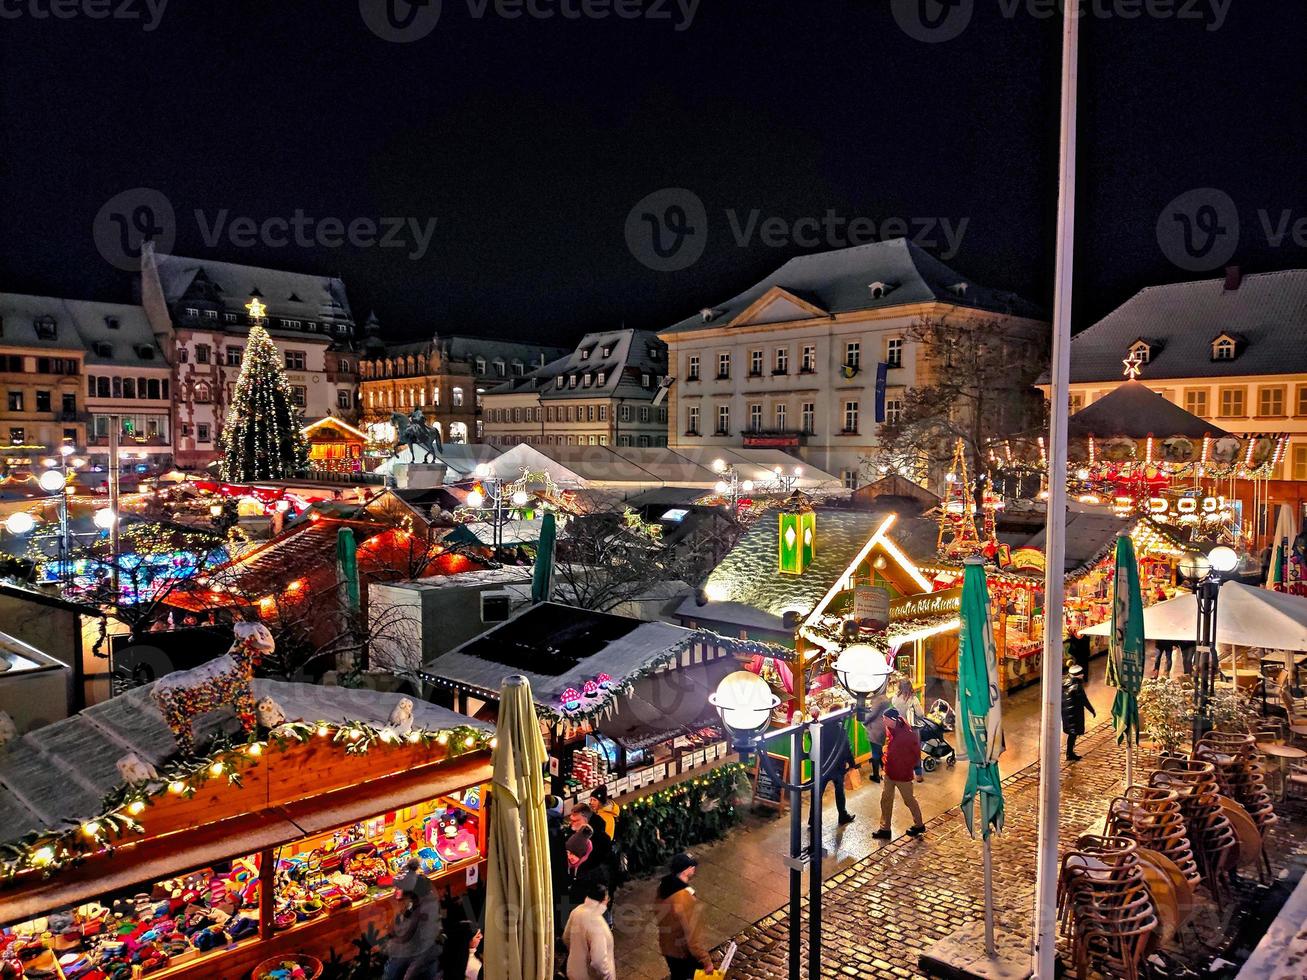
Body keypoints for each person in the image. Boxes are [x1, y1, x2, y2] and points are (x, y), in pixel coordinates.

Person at [655, 853, 713, 980]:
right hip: (682, 952)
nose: (694, 869)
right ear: (685, 870)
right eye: (691, 866)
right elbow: (691, 934)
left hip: (667, 946)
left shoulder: (663, 887)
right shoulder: (684, 897)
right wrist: (705, 960)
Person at [873, 708, 925, 840]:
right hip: (890, 772)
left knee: (909, 800)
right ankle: (885, 829)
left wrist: (906, 766)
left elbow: (915, 754)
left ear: (892, 720)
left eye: (885, 718)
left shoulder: (907, 734)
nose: (883, 720)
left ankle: (919, 825)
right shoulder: (890, 730)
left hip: (902, 774)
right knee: (886, 799)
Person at [562, 882, 616, 980]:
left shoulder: (576, 911)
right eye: (607, 898)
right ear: (603, 900)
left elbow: (566, 937)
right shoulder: (598, 923)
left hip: (573, 971)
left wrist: (577, 952)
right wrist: (607, 975)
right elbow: (598, 961)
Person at [816, 713, 856, 825]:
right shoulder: (840, 730)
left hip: (822, 765)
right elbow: (846, 747)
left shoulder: (820, 728)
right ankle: (842, 815)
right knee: (839, 792)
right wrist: (852, 763)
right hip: (837, 766)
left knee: (818, 794)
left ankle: (813, 819)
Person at [891, 678, 926, 781]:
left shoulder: (895, 698)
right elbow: (921, 714)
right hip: (912, 729)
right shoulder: (913, 700)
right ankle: (918, 774)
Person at [1062, 663, 1096, 761]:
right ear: (1078, 675)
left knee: (1071, 734)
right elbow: (1084, 700)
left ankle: (1070, 753)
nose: (1083, 675)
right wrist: (1092, 710)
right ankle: (1069, 753)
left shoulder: (1065, 682)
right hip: (1074, 713)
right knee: (1073, 733)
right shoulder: (1077, 687)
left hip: (1066, 713)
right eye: (1082, 674)